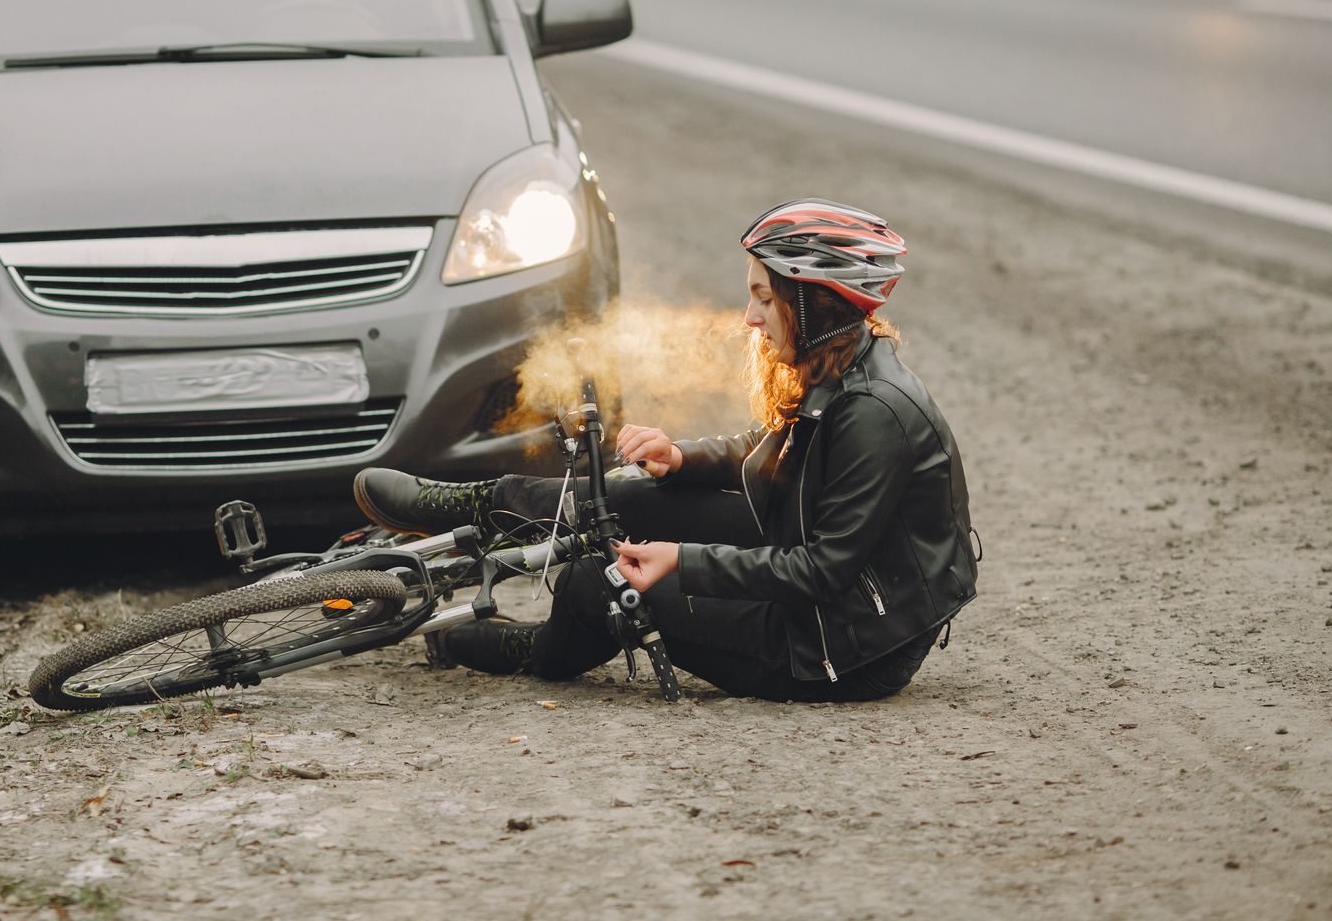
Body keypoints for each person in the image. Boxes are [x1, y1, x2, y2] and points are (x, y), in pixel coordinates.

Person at [353, 199, 979, 702]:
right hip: (808, 565)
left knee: (595, 584)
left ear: (813, 304)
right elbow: (772, 452)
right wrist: (681, 457)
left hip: (836, 644)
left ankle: (515, 647)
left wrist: (681, 560)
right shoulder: (840, 369)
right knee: (627, 494)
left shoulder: (875, 412)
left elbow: (820, 573)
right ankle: (467, 505)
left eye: (764, 297)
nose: (750, 317)